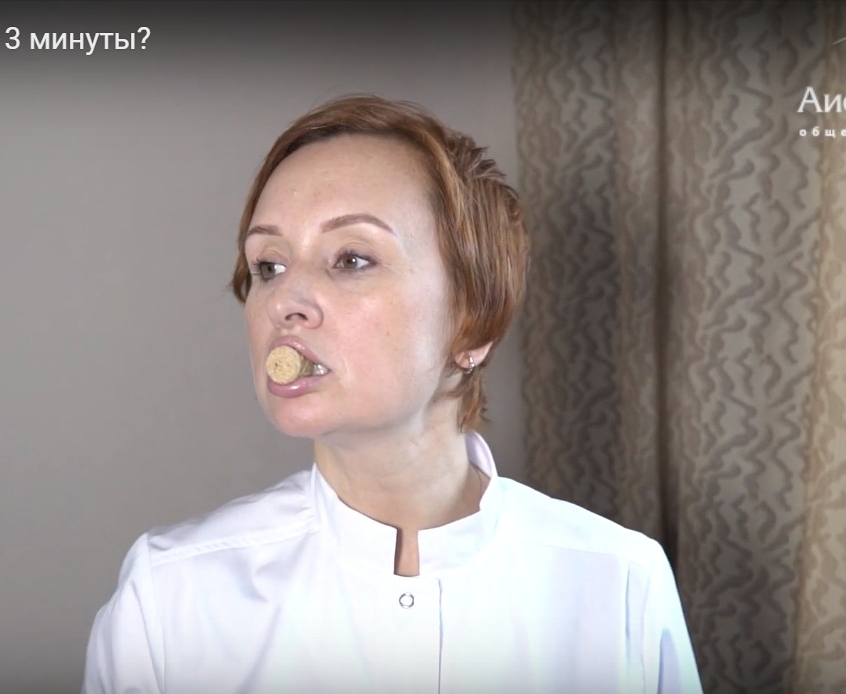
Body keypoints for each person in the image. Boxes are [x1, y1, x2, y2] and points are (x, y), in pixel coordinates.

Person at [82, 95, 702, 693]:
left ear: (473, 322)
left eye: (351, 259)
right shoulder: (170, 597)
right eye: (268, 265)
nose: (284, 301)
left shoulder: (620, 584)